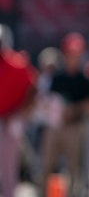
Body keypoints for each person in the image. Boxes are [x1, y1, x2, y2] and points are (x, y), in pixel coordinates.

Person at [39, 32, 89, 197]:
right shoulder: (57, 77)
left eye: (76, 54)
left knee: (73, 168)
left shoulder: (85, 79)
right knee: (46, 165)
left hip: (74, 127)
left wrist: (75, 109)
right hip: (55, 127)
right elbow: (48, 100)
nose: (73, 57)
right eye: (70, 53)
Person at [0, 24, 37, 197]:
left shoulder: (17, 63)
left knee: (8, 167)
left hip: (11, 120)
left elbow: (32, 89)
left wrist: (18, 112)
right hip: (6, 118)